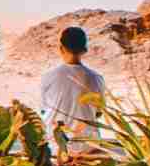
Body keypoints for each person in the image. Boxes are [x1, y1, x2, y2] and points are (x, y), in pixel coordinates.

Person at [39, 25, 107, 155]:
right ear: (85, 50)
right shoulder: (97, 78)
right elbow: (98, 113)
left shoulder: (48, 76)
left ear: (61, 48)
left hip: (56, 149)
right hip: (88, 148)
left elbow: (44, 110)